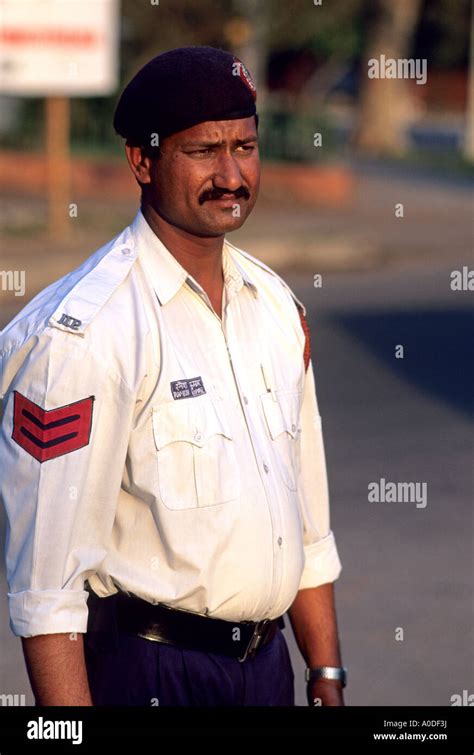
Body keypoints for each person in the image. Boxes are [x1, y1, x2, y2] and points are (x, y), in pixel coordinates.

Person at [0, 46, 345, 707]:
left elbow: (309, 530)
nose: (231, 173)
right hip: (151, 676)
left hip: (268, 668)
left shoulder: (276, 308)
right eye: (203, 151)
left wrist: (326, 675)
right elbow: (46, 593)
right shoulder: (81, 335)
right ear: (143, 160)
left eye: (244, 147)